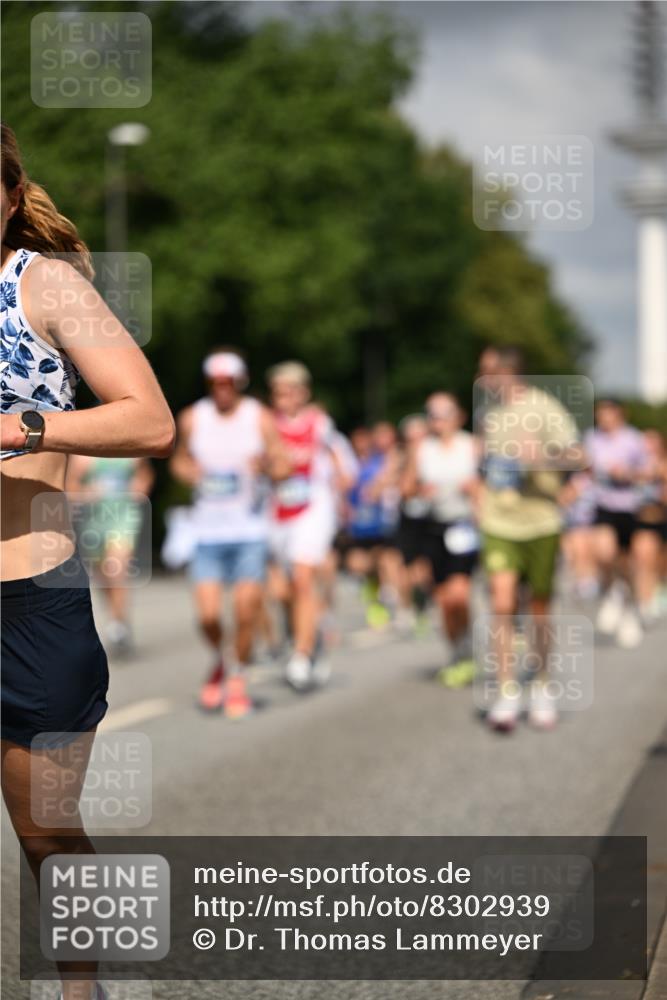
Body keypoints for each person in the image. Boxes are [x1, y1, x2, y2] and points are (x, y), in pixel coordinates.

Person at [0, 124, 174, 1000]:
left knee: (45, 831)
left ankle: (85, 989)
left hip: (30, 598)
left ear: (8, 193)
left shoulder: (42, 285)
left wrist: (24, 425)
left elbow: (148, 419)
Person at [170, 348, 287, 716]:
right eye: (215, 383)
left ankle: (236, 676)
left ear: (240, 382)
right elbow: (178, 459)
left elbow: (284, 462)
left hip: (249, 528)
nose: (222, 389)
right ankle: (223, 658)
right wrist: (189, 472)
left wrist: (268, 465)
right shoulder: (193, 417)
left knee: (246, 609)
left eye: (228, 382)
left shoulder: (258, 416)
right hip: (208, 532)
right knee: (207, 617)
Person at [478, 347, 581, 732]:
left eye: (486, 370)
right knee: (502, 603)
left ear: (507, 372)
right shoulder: (487, 413)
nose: (481, 378)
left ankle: (541, 684)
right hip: (498, 522)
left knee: (538, 611)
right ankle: (506, 691)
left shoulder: (544, 407)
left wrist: (542, 457)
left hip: (540, 522)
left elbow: (578, 454)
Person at [267, 361, 346, 690]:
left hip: (312, 508)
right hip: (276, 511)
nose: (284, 398)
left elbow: (340, 462)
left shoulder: (319, 423)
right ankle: (308, 628)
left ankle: (300, 655)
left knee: (302, 578)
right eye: (279, 392)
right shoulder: (266, 424)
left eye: (291, 391)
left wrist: (343, 496)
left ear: (303, 392)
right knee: (280, 591)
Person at [402, 394, 480, 686]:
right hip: (432, 528)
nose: (438, 420)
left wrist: (474, 491)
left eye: (444, 413)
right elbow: (406, 489)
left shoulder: (471, 446)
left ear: (458, 416)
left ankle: (466, 645)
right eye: (432, 414)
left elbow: (487, 489)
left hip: (463, 527)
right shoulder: (421, 449)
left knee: (460, 594)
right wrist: (421, 490)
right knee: (444, 601)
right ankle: (457, 652)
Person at [66, 456, 154, 657]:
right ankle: (118, 618)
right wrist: (85, 493)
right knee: (103, 577)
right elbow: (69, 486)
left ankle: (118, 624)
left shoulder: (129, 448)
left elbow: (146, 474)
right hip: (93, 522)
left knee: (117, 568)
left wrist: (141, 486)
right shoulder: (82, 455)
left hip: (124, 517)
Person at [585, 399, 651, 647]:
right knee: (604, 553)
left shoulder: (634, 439)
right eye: (599, 414)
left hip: (630, 507)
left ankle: (629, 605)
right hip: (603, 505)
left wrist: (627, 474)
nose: (603, 418)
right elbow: (585, 468)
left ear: (619, 414)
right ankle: (612, 592)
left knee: (626, 563)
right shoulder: (592, 438)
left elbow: (649, 471)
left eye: (607, 413)